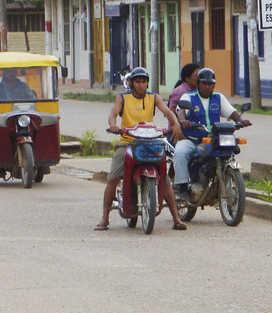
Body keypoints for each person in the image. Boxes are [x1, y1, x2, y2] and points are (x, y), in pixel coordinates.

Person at [98, 67, 184, 231]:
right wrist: (113, 125)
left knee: (165, 181)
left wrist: (175, 124)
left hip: (149, 143)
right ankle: (105, 218)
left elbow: (167, 112)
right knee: (113, 179)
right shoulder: (122, 98)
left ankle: (176, 218)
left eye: (144, 82)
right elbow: (113, 114)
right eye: (137, 82)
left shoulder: (154, 98)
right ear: (131, 83)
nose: (141, 85)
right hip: (127, 143)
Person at [172, 67, 251, 202]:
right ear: (197, 84)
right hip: (192, 139)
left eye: (211, 84)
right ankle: (183, 188)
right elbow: (181, 110)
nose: (208, 87)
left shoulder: (218, 98)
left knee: (230, 150)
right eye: (204, 83)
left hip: (214, 139)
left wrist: (240, 120)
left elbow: (231, 112)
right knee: (179, 153)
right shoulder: (189, 96)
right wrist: (182, 120)